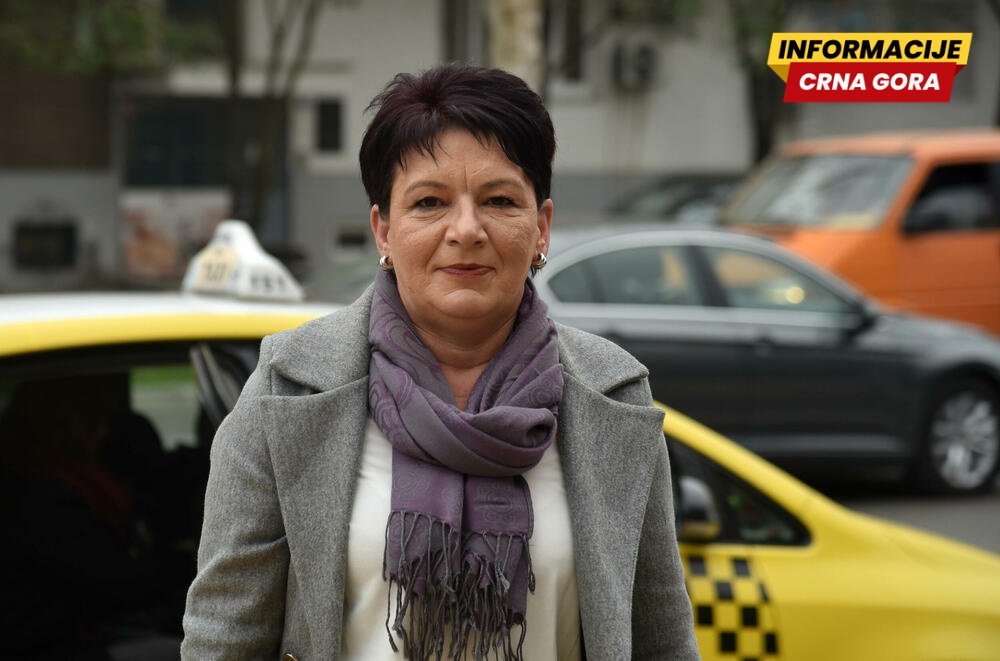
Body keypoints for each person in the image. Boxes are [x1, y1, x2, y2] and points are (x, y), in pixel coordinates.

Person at [181, 63, 698, 661]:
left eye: (499, 200)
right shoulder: (289, 388)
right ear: (383, 230)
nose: (466, 229)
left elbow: (662, 641)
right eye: (430, 202)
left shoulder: (611, 394)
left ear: (541, 228)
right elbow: (224, 636)